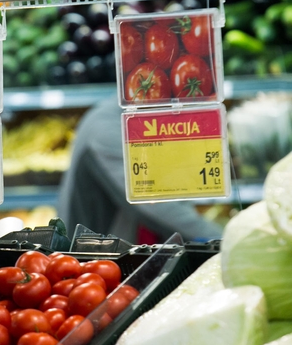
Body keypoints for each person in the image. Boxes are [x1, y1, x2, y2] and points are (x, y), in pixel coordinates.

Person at [57, 97, 223, 244]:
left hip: (126, 250)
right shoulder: (104, 127)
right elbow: (154, 204)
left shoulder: (157, 122)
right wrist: (219, 239)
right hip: (92, 258)